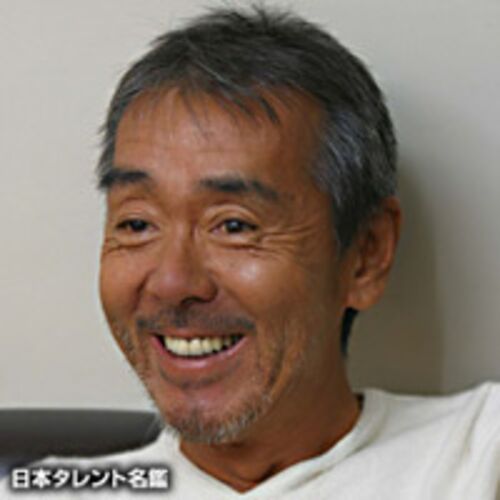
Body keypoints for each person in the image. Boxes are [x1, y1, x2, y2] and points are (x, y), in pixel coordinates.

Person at [4, 5, 499, 499]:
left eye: (234, 226)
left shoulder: (476, 453)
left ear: (365, 256)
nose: (172, 283)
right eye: (137, 224)